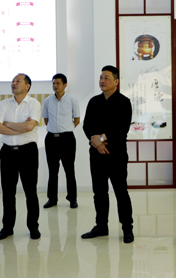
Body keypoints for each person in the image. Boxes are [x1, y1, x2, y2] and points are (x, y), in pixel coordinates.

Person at [81, 65, 134, 243]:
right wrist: (96, 143)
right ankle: (101, 226)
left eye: (106, 78)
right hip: (96, 154)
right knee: (99, 192)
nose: (102, 81)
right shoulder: (94, 101)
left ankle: (127, 228)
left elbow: (122, 129)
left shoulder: (124, 102)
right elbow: (87, 126)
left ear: (116, 82)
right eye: (101, 78)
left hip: (116, 154)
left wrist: (102, 138)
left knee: (121, 192)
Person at [0, 73, 42, 241]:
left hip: (28, 152)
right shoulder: (4, 104)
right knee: (8, 193)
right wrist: (19, 128)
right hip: (7, 152)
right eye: (12, 81)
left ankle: (33, 226)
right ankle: (7, 227)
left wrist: (7, 124)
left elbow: (29, 127)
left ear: (27, 86)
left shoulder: (34, 104)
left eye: (17, 81)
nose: (13, 83)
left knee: (30, 191)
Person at [42, 73, 81, 209]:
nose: (55, 85)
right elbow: (46, 119)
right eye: (53, 83)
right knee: (52, 171)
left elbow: (77, 119)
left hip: (67, 139)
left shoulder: (72, 100)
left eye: (58, 83)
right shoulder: (47, 101)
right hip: (51, 139)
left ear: (65, 85)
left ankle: (72, 199)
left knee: (69, 170)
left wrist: (66, 129)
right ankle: (52, 199)